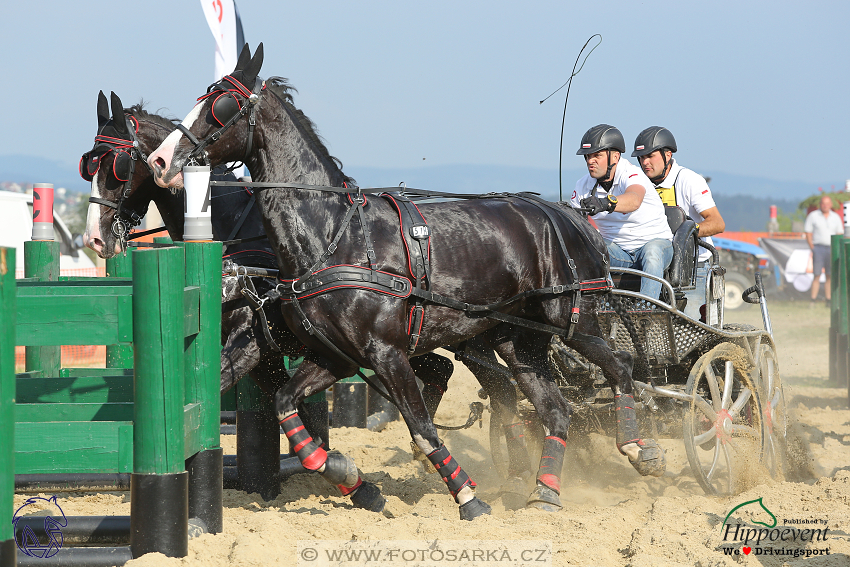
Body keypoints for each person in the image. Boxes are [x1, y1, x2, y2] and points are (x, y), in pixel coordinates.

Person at [632, 126, 726, 320]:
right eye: (641, 158)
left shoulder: (689, 180)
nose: (645, 162)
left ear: (668, 155)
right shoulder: (637, 183)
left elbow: (717, 223)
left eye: (650, 156)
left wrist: (685, 234)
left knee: (689, 326)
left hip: (692, 269)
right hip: (652, 265)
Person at [569, 124, 673, 299]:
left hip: (655, 244)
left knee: (652, 252)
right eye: (587, 156)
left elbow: (634, 199)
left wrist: (606, 203)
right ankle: (605, 305)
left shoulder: (632, 174)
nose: (590, 161)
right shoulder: (582, 185)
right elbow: (572, 219)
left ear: (615, 157)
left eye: (597, 155)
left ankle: (646, 311)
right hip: (619, 251)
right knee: (592, 249)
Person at [804, 195, 843, 305]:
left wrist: (837, 247)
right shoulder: (813, 216)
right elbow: (808, 232)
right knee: (816, 274)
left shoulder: (835, 217)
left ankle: (829, 300)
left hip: (831, 248)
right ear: (820, 204)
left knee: (830, 275)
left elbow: (839, 233)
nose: (825, 206)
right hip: (818, 248)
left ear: (831, 205)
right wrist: (812, 247)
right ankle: (813, 300)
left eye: (827, 204)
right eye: (823, 203)